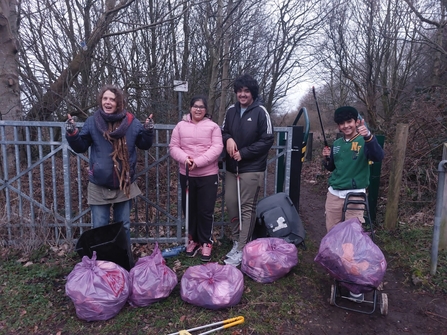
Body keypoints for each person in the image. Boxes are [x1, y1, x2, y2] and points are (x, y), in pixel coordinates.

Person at [65, 84, 154, 245]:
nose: (108, 102)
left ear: (119, 102)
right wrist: (72, 133)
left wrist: (148, 131)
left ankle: (124, 263)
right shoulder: (93, 122)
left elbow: (144, 144)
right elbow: (80, 146)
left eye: (112, 99)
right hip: (99, 184)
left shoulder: (131, 122)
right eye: (105, 98)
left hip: (124, 183)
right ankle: (102, 265)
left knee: (124, 227)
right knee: (99, 228)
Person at [321, 105, 384, 302]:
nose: (346, 126)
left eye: (350, 122)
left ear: (357, 122)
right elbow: (332, 167)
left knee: (352, 239)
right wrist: (326, 158)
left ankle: (354, 282)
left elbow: (378, 156)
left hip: (355, 195)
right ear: (339, 126)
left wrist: (369, 137)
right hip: (334, 193)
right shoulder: (338, 144)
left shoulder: (364, 140)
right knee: (333, 235)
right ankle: (338, 272)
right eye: (342, 123)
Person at [221, 74, 274, 266]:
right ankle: (237, 241)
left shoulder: (260, 112)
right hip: (231, 168)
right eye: (240, 91)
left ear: (252, 93)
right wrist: (228, 139)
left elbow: (268, 139)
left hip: (251, 167)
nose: (242, 94)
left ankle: (243, 248)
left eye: (246, 91)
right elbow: (223, 131)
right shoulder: (230, 111)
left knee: (246, 207)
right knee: (231, 204)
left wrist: (244, 153)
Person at [169, 95, 223, 262]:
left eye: (201, 106)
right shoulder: (180, 126)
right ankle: (193, 240)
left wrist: (197, 162)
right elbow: (173, 147)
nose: (198, 109)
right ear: (190, 108)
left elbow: (217, 148)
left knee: (206, 210)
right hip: (187, 175)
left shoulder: (213, 127)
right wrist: (185, 159)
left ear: (206, 110)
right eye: (195, 106)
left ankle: (206, 241)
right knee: (190, 209)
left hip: (208, 175)